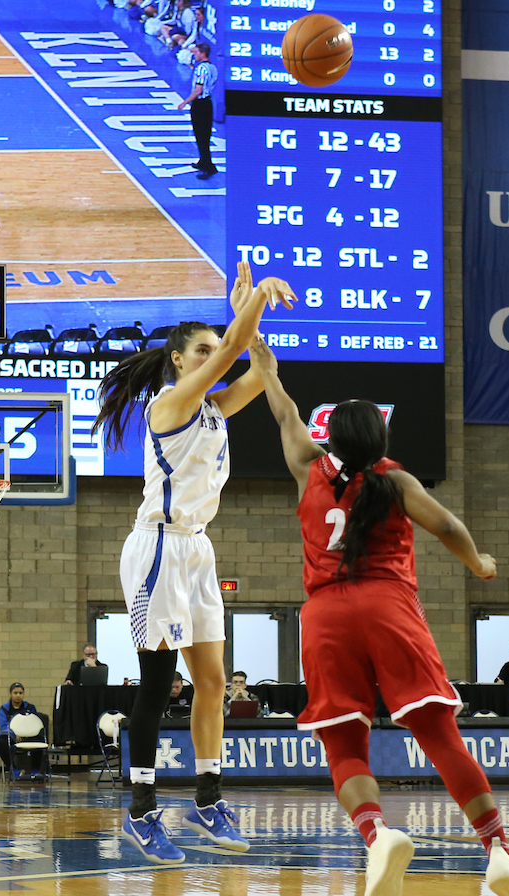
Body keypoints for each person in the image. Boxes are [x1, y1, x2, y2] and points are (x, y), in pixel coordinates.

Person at [247, 334, 509, 896]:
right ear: (380, 442)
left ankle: (377, 836)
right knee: (439, 736)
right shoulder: (397, 481)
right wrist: (479, 563)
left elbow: (281, 406)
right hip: (388, 607)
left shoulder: (306, 466)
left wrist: (264, 362)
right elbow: (451, 527)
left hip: (325, 615)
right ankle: (500, 851)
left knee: (344, 744)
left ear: (328, 437)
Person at [90, 261, 294, 864]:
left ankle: (208, 799)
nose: (213, 356)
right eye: (201, 350)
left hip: (199, 548)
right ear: (181, 361)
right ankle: (142, 812)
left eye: (213, 348)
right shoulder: (171, 403)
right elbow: (233, 348)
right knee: (157, 684)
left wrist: (249, 325)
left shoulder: (214, 409)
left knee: (211, 682)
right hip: (157, 546)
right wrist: (249, 305)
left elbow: (262, 369)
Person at [176, 42, 218, 180]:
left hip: (200, 104)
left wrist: (185, 102)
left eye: (196, 52)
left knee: (201, 137)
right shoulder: (213, 68)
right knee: (205, 135)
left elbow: (198, 90)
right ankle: (203, 161)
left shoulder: (201, 69)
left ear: (202, 53)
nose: (195, 55)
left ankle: (208, 167)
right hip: (208, 103)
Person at [0, 682, 45, 780]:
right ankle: (14, 769)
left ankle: (35, 770)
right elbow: (4, 725)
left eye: (20, 693)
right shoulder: (4, 709)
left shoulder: (30, 707)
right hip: (12, 736)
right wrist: (15, 734)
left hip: (28, 735)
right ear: (10, 694)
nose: (18, 696)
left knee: (39, 739)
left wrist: (25, 732)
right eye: (15, 693)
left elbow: (33, 722)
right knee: (1, 743)